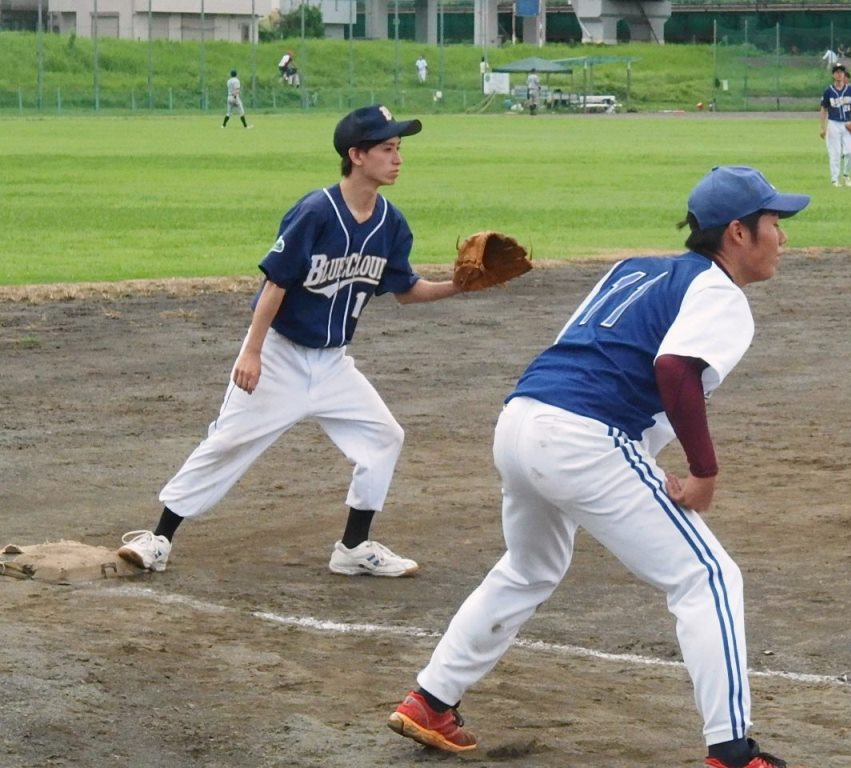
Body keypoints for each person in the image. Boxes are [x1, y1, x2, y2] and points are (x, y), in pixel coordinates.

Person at [387, 164, 811, 768]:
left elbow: (583, 351)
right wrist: (703, 473)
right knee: (708, 577)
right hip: (583, 436)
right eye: (774, 222)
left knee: (531, 566)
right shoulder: (719, 293)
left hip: (521, 420)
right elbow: (674, 371)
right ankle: (734, 754)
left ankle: (431, 701)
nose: (783, 236)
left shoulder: (632, 268)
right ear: (737, 233)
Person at [117, 105, 466, 578]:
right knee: (228, 442)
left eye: (398, 148)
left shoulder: (392, 224)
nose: (398, 158)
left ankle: (353, 547)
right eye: (387, 149)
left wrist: (460, 286)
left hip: (334, 366)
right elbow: (275, 284)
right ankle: (158, 538)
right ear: (356, 155)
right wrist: (252, 351)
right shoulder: (316, 211)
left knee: (384, 437)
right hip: (280, 356)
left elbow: (406, 291)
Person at [819, 63, 851, 187]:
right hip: (833, 124)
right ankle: (834, 180)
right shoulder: (828, 91)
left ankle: (846, 176)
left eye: (841, 72)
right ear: (833, 75)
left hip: (847, 124)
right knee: (835, 153)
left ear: (844, 75)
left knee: (850, 151)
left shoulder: (850, 90)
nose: (839, 74)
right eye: (837, 72)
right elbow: (823, 109)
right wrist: (823, 127)